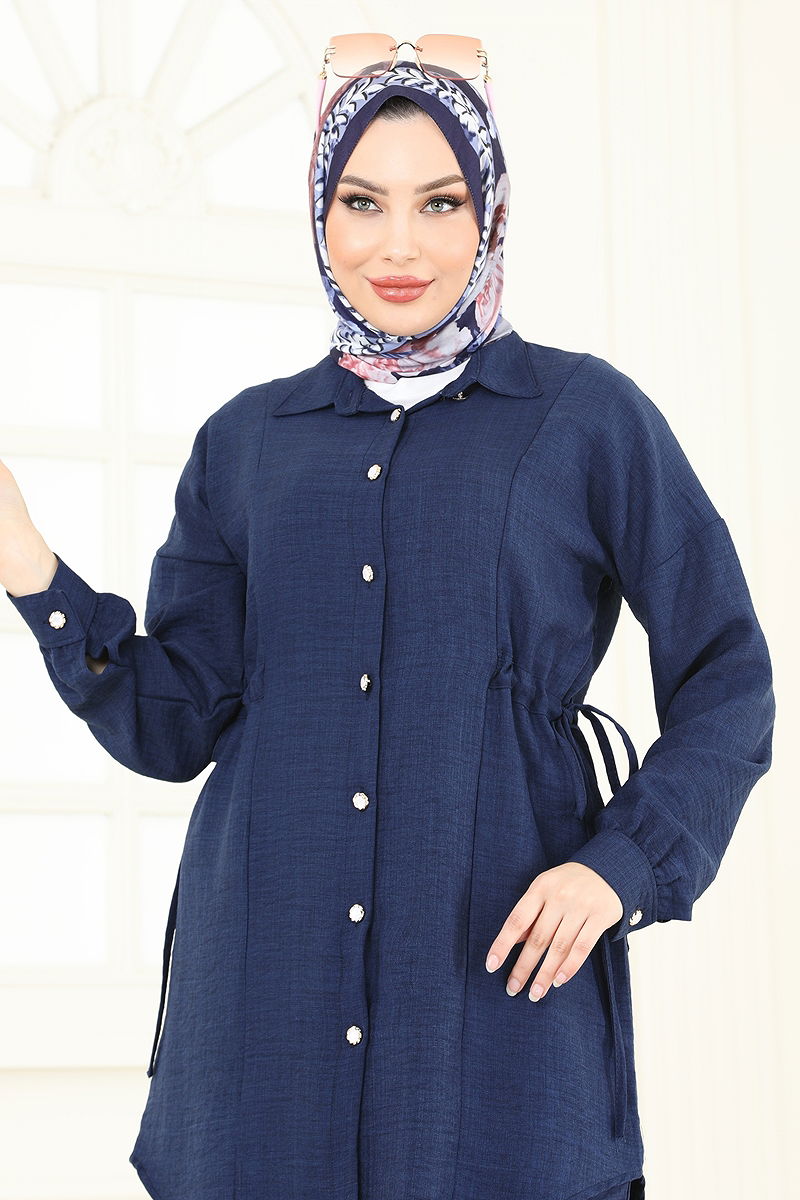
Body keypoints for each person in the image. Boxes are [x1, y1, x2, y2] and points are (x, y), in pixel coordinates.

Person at [0, 47, 774, 1200]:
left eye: (439, 202)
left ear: (489, 211)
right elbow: (177, 723)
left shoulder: (584, 417)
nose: (397, 245)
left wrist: (622, 865)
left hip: (496, 1005)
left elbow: (727, 676)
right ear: (319, 213)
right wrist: (29, 565)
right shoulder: (245, 443)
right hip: (265, 1010)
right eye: (361, 203)